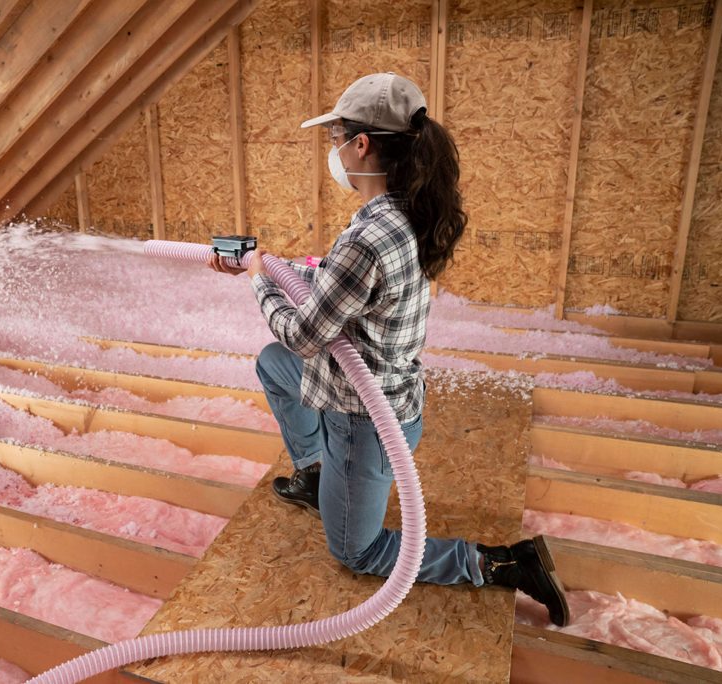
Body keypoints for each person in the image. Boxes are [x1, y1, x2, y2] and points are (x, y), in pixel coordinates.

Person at [207, 73, 568, 626]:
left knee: (356, 552)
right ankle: (316, 476)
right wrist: (286, 268)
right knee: (273, 365)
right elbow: (346, 289)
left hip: (365, 424)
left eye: (336, 138)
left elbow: (302, 334)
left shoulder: (368, 238)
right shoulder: (401, 212)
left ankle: (501, 564)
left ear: (362, 145)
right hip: (386, 399)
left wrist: (258, 278)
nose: (333, 150)